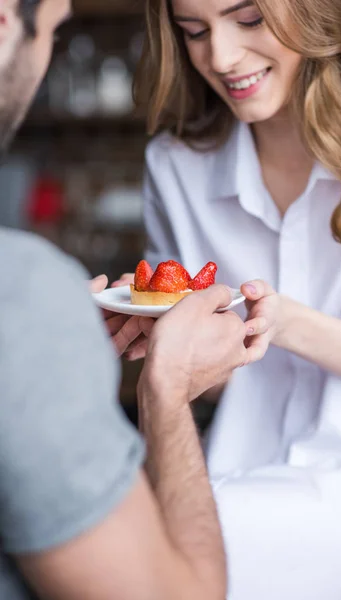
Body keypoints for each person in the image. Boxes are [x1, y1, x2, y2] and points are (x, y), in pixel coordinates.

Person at [113, 0, 341, 597]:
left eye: (248, 20)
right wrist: (165, 345)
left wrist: (280, 322)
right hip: (232, 474)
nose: (219, 57)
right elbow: (221, 382)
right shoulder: (176, 167)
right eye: (193, 32)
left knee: (129, 558)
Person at [0, 1, 267, 599]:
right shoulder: (25, 292)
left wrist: (62, 355)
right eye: (54, 32)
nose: (220, 56)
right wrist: (165, 389)